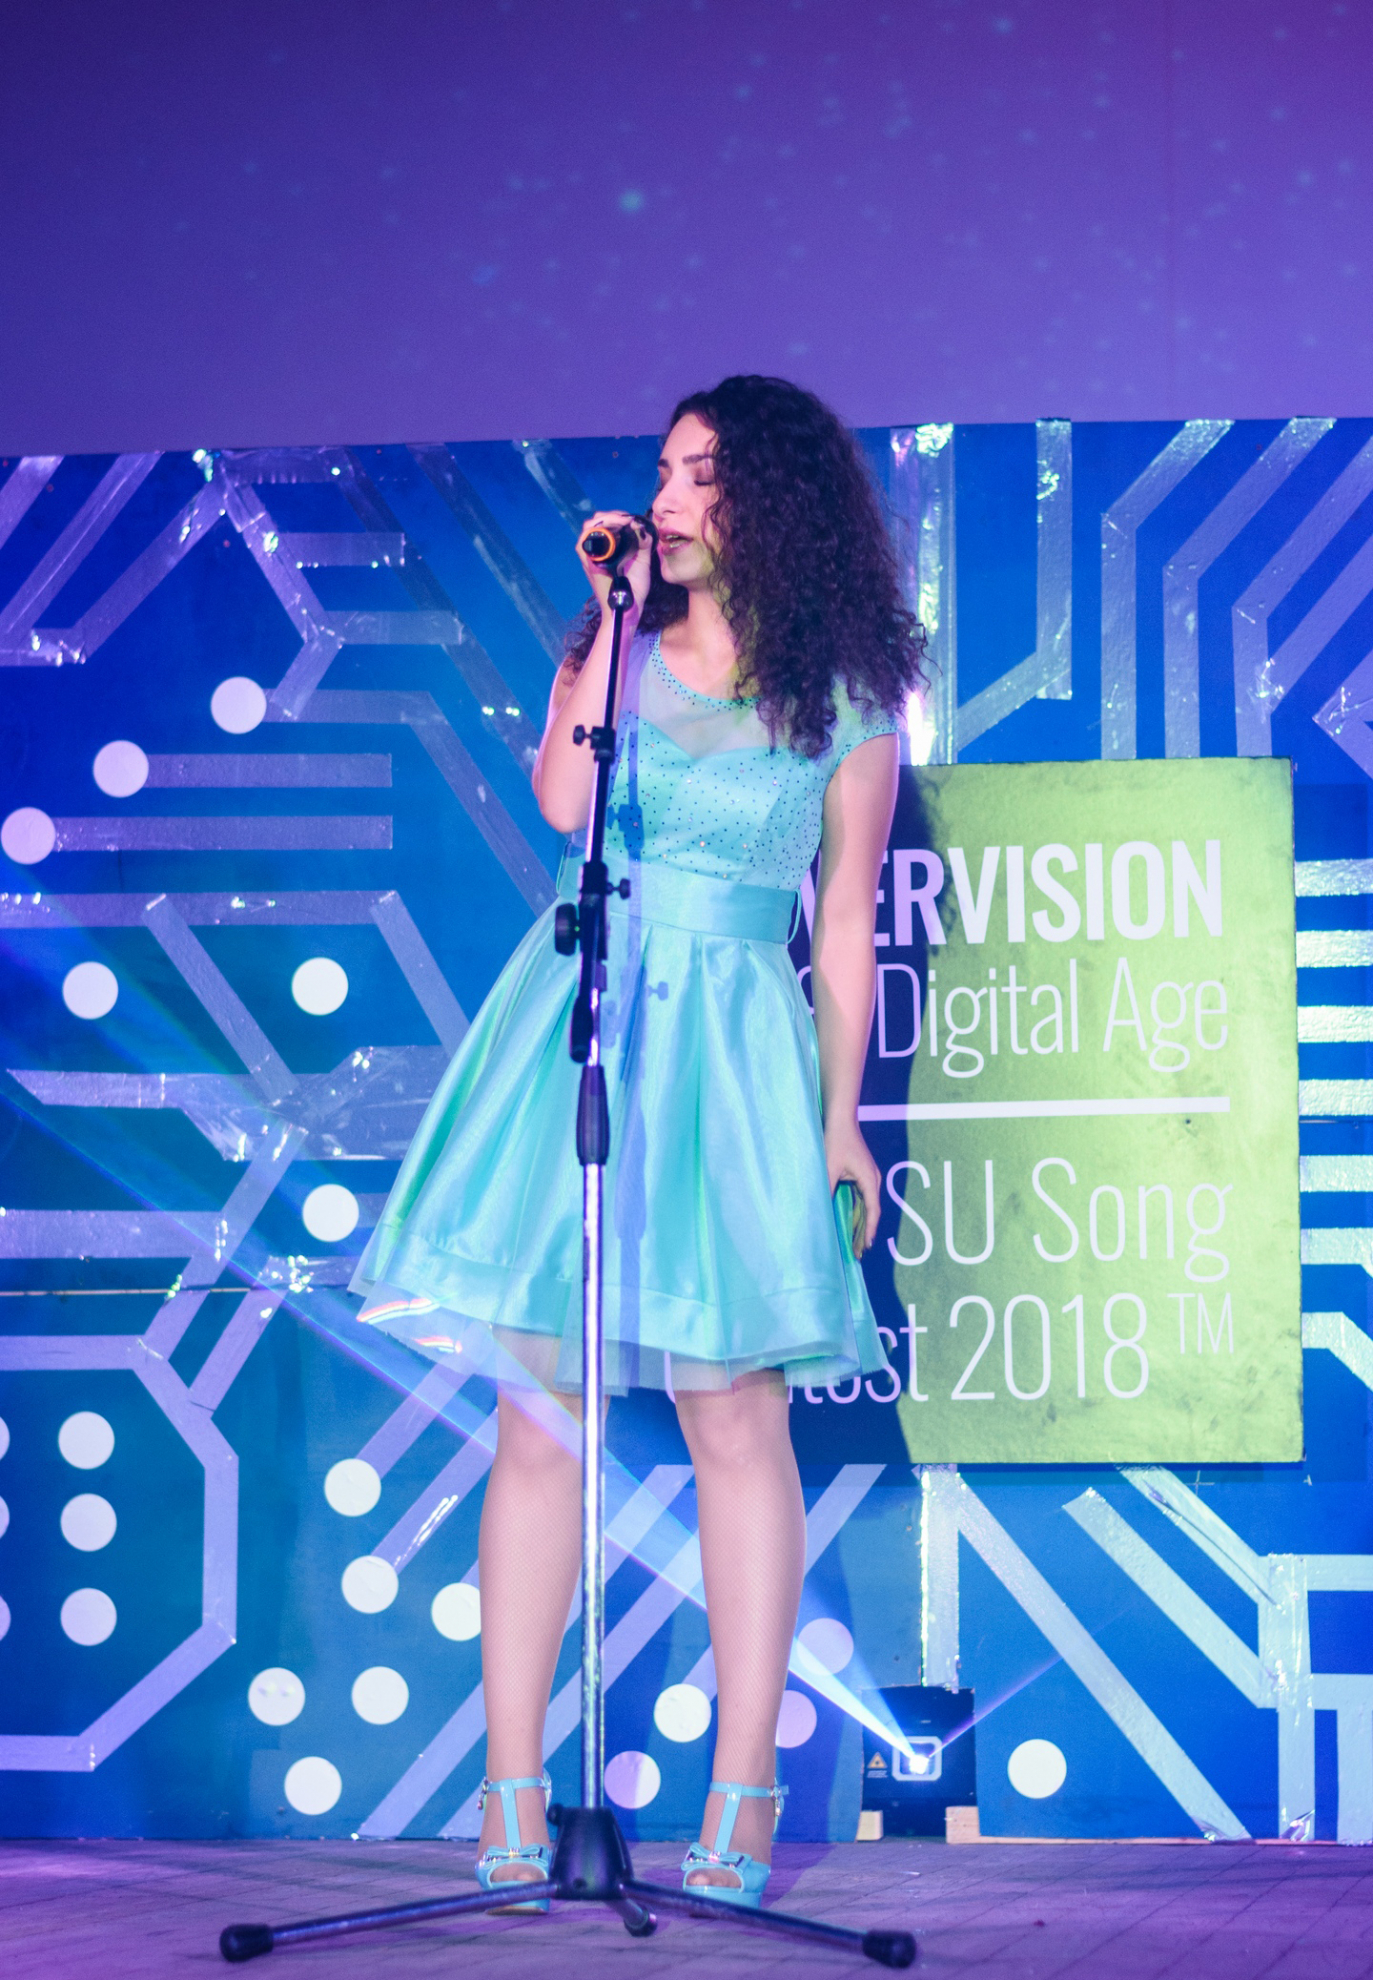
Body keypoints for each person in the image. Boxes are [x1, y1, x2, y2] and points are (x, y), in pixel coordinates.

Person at [352, 374, 926, 1908]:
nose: (664, 499)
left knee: (735, 1418)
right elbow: (563, 801)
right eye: (661, 471)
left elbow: (845, 925)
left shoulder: (846, 699)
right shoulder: (612, 643)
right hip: (585, 1025)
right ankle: (510, 1787)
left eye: (697, 474)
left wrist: (840, 1121)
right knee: (539, 1417)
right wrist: (607, 623)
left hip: (733, 1049)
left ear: (774, 499)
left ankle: (741, 1791)